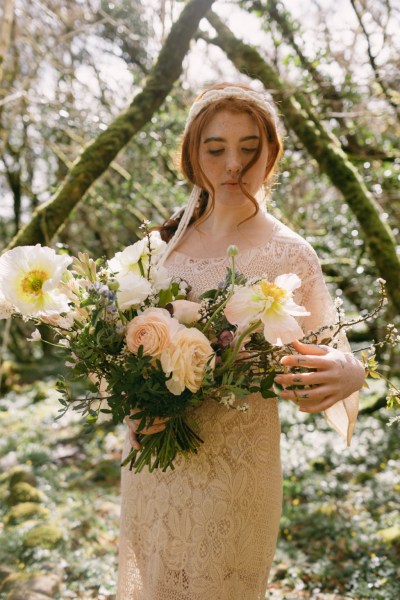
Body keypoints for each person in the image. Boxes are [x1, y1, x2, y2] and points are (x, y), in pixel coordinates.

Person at [116, 83, 365, 600]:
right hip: (153, 471)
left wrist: (351, 370)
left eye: (249, 148)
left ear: (271, 153)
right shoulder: (159, 247)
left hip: (235, 477)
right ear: (192, 154)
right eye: (216, 148)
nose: (233, 163)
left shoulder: (290, 254)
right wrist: (134, 409)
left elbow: (328, 351)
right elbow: (117, 354)